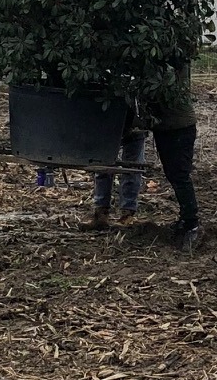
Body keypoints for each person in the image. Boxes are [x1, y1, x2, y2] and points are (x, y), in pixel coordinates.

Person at [84, 63, 201, 249]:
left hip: (178, 127)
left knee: (178, 175)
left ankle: (191, 224)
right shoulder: (157, 66)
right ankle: (186, 220)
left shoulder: (168, 68)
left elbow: (156, 90)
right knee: (175, 174)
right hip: (165, 127)